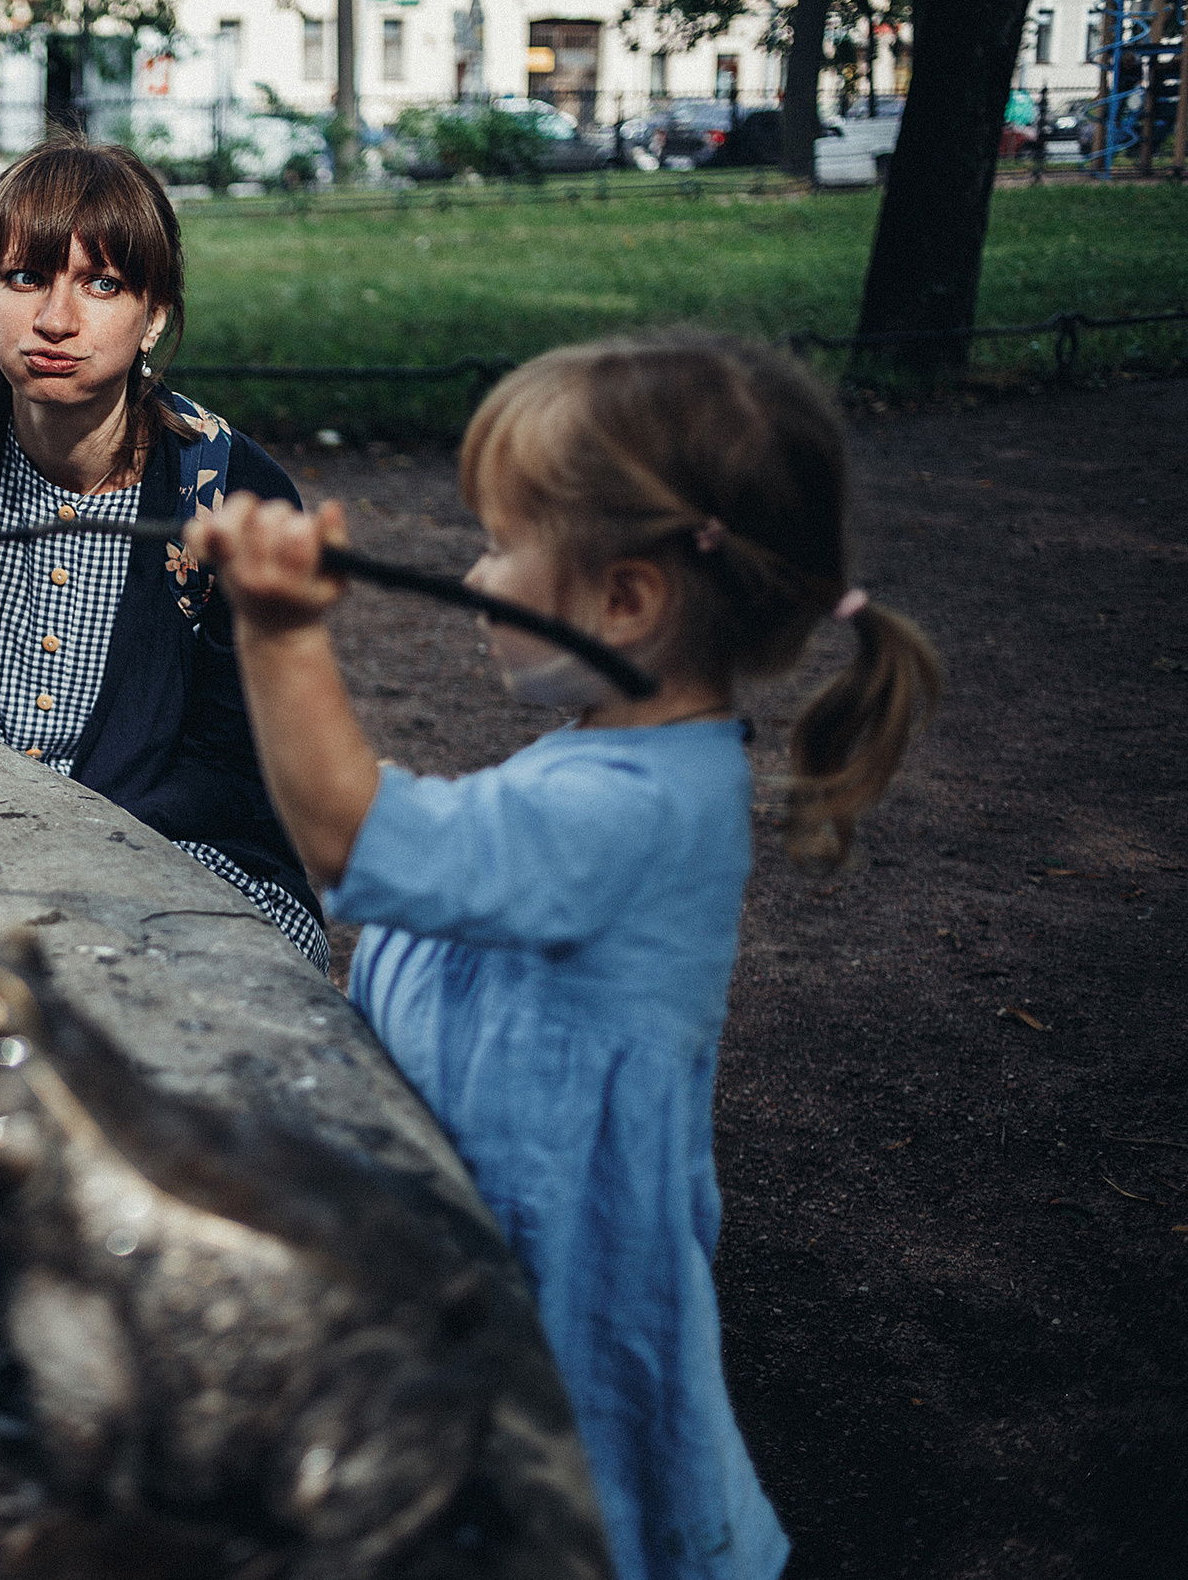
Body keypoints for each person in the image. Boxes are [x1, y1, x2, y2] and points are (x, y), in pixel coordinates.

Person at [187, 332, 944, 1580]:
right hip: (496, 1217)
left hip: (554, 1249)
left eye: (496, 543)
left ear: (625, 599)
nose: (473, 570)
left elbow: (356, 839)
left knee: (569, 1504)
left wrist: (276, 631)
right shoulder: (615, 759)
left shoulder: (630, 807)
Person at [0, 135, 329, 971]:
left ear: (154, 314)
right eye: (25, 278)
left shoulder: (230, 494)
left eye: (103, 284)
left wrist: (69, 847)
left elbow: (231, 768)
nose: (55, 319)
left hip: (191, 856)